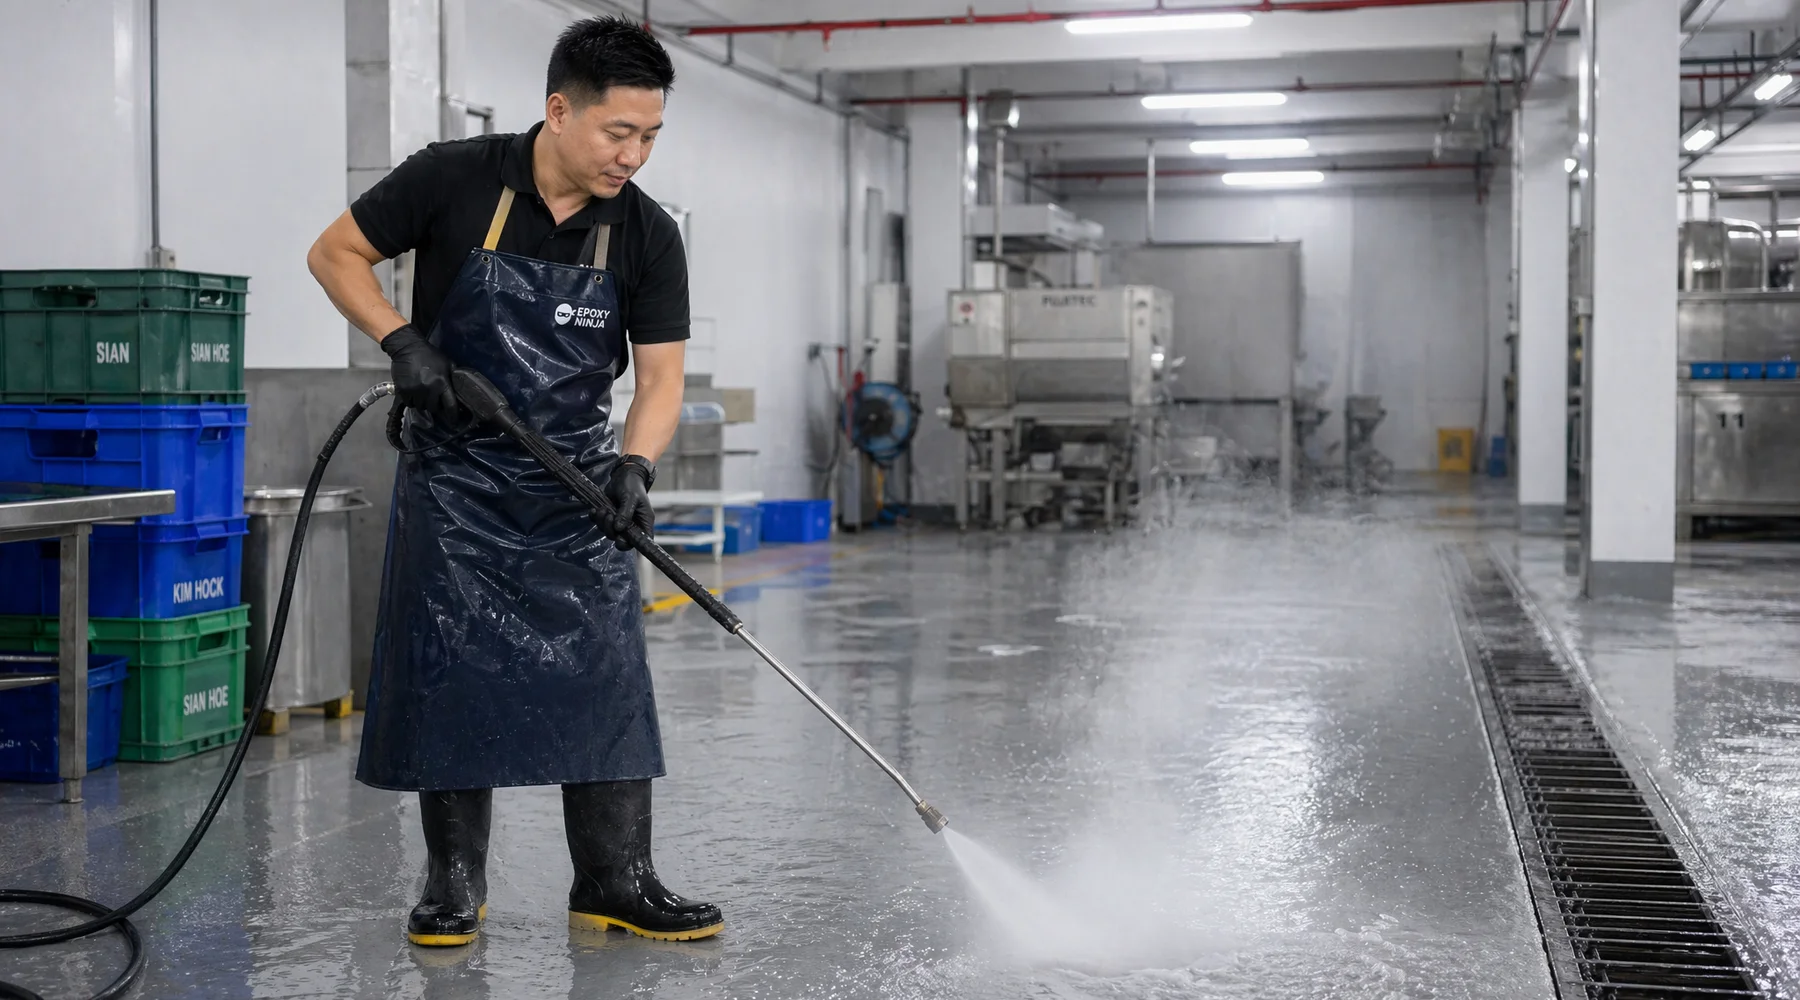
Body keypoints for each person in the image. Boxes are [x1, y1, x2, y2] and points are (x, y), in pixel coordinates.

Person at [306, 15, 719, 946]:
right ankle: (454, 881)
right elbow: (334, 254)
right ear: (559, 110)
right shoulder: (454, 177)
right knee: (453, 674)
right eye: (620, 132)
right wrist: (402, 341)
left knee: (605, 679)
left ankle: (617, 879)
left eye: (652, 135)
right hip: (457, 487)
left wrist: (636, 466)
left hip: (574, 491)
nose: (636, 154)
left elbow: (660, 381)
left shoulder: (646, 234)